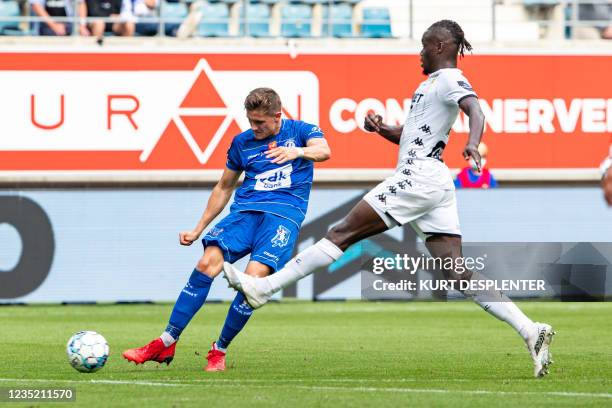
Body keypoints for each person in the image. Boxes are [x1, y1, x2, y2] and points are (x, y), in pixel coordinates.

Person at [223, 20, 555, 378]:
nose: (420, 53)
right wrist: (382, 129)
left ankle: (264, 288)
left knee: (341, 233)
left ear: (441, 46)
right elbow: (411, 136)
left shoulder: (448, 79)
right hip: (434, 181)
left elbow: (476, 109)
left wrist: (473, 142)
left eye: (425, 46)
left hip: (418, 176)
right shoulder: (429, 86)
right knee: (455, 272)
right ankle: (530, 330)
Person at [122, 88, 330, 371]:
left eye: (260, 122)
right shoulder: (242, 143)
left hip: (282, 218)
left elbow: (324, 151)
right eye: (250, 121)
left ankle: (218, 350)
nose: (254, 128)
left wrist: (298, 151)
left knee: (252, 282)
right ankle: (166, 341)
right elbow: (224, 186)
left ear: (277, 116)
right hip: (244, 214)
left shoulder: (301, 130)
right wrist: (198, 228)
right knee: (206, 262)